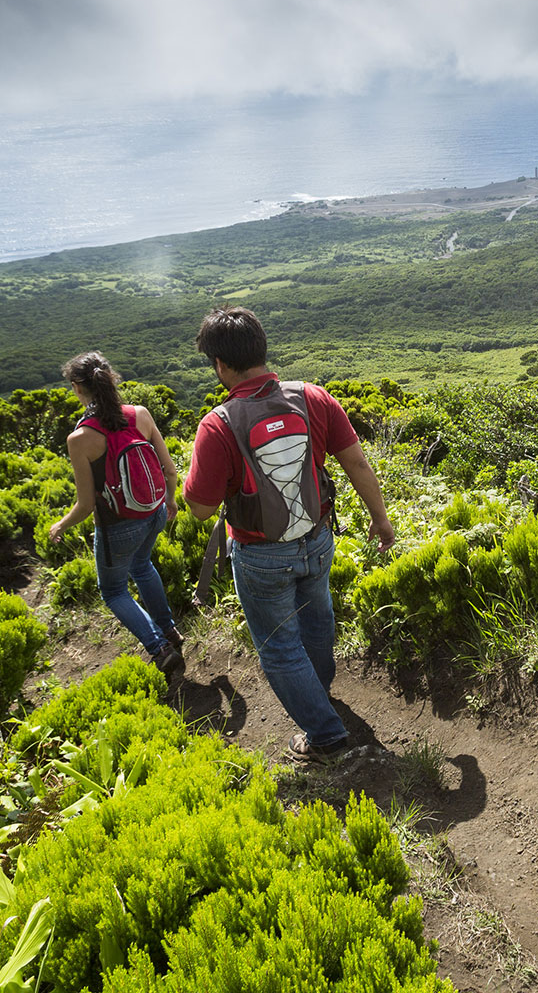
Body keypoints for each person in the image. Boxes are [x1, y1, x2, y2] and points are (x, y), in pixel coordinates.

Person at [181, 306, 395, 763]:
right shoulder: (312, 397)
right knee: (318, 620)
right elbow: (355, 463)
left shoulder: (217, 425)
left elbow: (199, 510)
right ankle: (317, 694)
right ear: (262, 348)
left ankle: (324, 736)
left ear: (220, 365)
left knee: (279, 647)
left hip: (260, 554)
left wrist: (192, 478)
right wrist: (380, 518)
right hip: (316, 538)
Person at [46, 351, 184, 678]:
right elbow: (170, 471)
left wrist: (60, 525)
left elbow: (86, 505)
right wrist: (171, 503)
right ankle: (170, 631)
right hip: (155, 512)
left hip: (118, 525)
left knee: (113, 592)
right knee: (142, 564)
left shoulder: (80, 439)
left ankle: (159, 647)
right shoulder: (140, 414)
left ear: (79, 388)